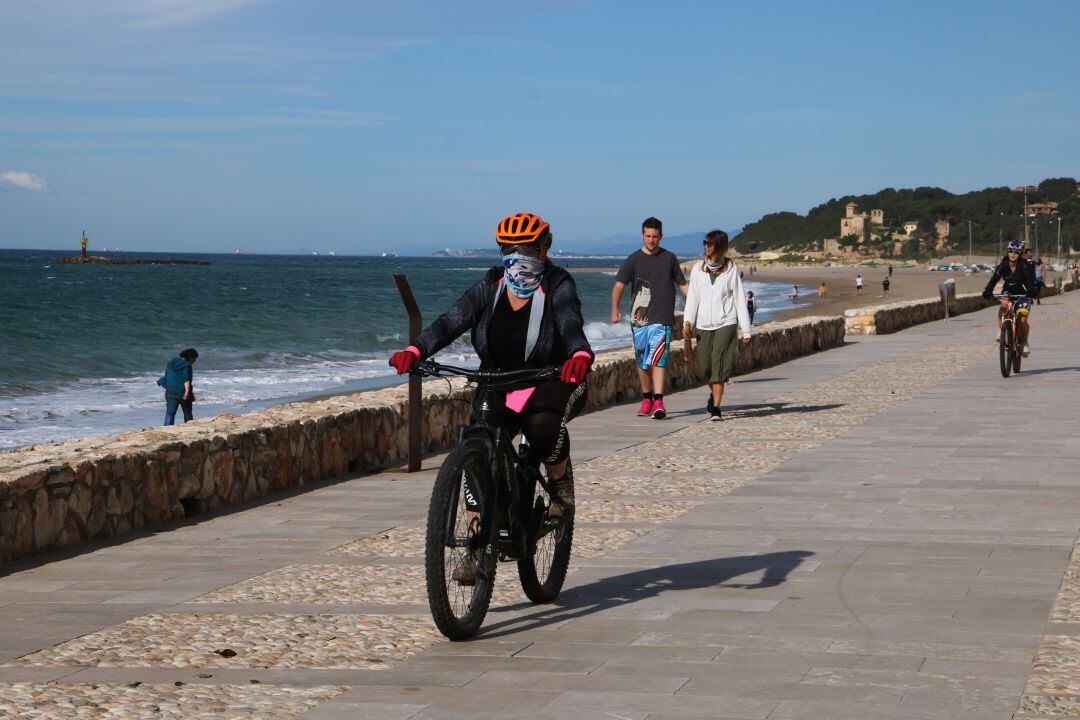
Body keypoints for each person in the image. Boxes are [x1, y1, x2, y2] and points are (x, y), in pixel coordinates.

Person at [389, 212, 592, 535]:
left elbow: (569, 321)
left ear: (544, 250)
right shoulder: (491, 284)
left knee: (542, 428)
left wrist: (578, 354)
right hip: (497, 380)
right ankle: (476, 538)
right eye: (508, 250)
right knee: (477, 444)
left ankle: (560, 485)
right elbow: (451, 320)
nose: (517, 258)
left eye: (526, 249)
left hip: (551, 377)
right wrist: (416, 350)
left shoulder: (557, 284)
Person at [611, 217, 687, 420]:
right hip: (639, 321)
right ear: (642, 236)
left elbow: (682, 284)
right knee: (643, 362)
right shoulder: (633, 259)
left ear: (661, 237)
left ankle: (659, 401)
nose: (651, 240)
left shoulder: (669, 258)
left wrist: (700, 302)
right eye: (648, 236)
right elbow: (619, 285)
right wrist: (614, 309)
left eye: (655, 236)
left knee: (659, 359)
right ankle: (647, 399)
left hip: (662, 319)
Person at [683, 230, 752, 421]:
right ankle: (714, 393)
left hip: (726, 323)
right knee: (704, 368)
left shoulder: (731, 269)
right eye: (705, 243)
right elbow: (693, 299)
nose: (706, 246)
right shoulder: (698, 269)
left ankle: (716, 408)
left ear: (719, 247)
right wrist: (687, 323)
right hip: (703, 325)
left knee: (719, 363)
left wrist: (746, 330)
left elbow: (739, 299)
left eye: (710, 244)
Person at [982, 240, 1038, 357]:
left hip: (1023, 293)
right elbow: (994, 278)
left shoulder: (1025, 265)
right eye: (1010, 251)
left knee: (1022, 319)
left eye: (1016, 252)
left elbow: (1030, 280)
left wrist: (1032, 290)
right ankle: (1002, 330)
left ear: (1021, 253)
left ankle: (1024, 341)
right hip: (1008, 291)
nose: (1012, 254)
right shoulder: (1004, 264)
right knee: (1003, 307)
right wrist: (988, 290)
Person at [158, 348, 198, 425]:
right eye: (194, 358)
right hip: (182, 392)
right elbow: (186, 379)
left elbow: (167, 376)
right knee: (187, 412)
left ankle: (167, 430)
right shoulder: (187, 365)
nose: (194, 361)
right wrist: (187, 391)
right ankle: (189, 428)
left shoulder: (171, 362)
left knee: (170, 413)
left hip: (170, 391)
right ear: (190, 357)